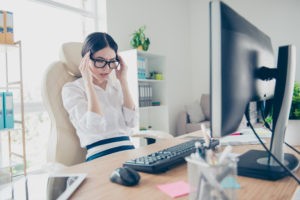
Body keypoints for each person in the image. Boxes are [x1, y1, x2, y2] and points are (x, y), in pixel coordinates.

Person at [62, 32, 138, 161]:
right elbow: (94, 127)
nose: (106, 69)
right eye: (100, 61)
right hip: (99, 155)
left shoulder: (116, 85)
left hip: (128, 151)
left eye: (111, 62)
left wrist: (123, 80)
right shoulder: (72, 89)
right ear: (85, 60)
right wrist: (88, 83)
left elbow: (132, 122)